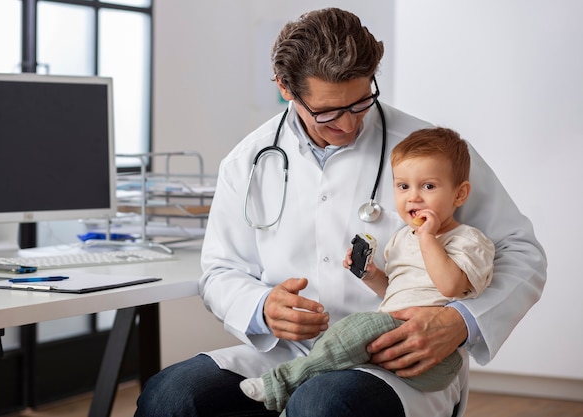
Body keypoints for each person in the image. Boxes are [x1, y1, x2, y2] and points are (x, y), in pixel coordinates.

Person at [135, 7, 546, 417]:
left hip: (399, 357)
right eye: (328, 112)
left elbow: (521, 251)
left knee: (323, 405)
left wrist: (462, 321)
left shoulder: (430, 152)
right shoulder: (247, 161)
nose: (348, 126)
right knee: (169, 398)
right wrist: (261, 308)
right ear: (285, 88)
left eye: (361, 101)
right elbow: (220, 271)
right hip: (287, 355)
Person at [238, 127, 496, 413]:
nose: (413, 198)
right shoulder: (402, 238)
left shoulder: (468, 240)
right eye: (403, 186)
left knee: (350, 329)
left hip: (432, 354)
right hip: (392, 338)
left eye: (428, 187)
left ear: (460, 194)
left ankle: (280, 382)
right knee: (331, 359)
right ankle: (293, 395)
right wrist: (371, 275)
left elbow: (451, 287)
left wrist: (428, 238)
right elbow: (394, 291)